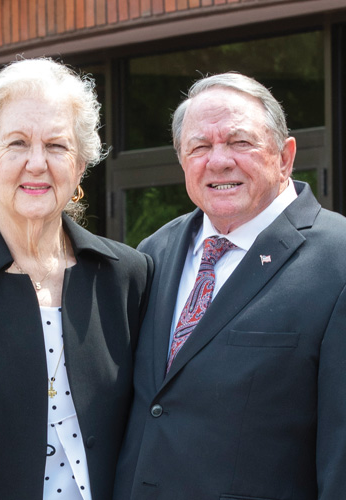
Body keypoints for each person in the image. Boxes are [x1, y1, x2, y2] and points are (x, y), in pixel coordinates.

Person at [114, 72, 346, 500]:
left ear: (285, 156)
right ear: (183, 162)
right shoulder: (154, 252)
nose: (218, 161)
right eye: (200, 146)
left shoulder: (339, 259)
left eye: (240, 142)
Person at [0, 58, 152, 500]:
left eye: (56, 146)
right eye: (17, 143)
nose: (37, 163)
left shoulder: (126, 277)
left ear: (80, 165)